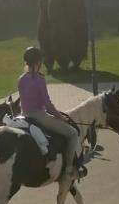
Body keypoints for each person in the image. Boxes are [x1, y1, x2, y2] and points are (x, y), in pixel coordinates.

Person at [17, 46, 86, 178]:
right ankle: (69, 169)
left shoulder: (21, 79)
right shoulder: (39, 79)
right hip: (39, 116)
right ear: (38, 62)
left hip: (24, 116)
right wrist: (60, 117)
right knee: (72, 133)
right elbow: (48, 105)